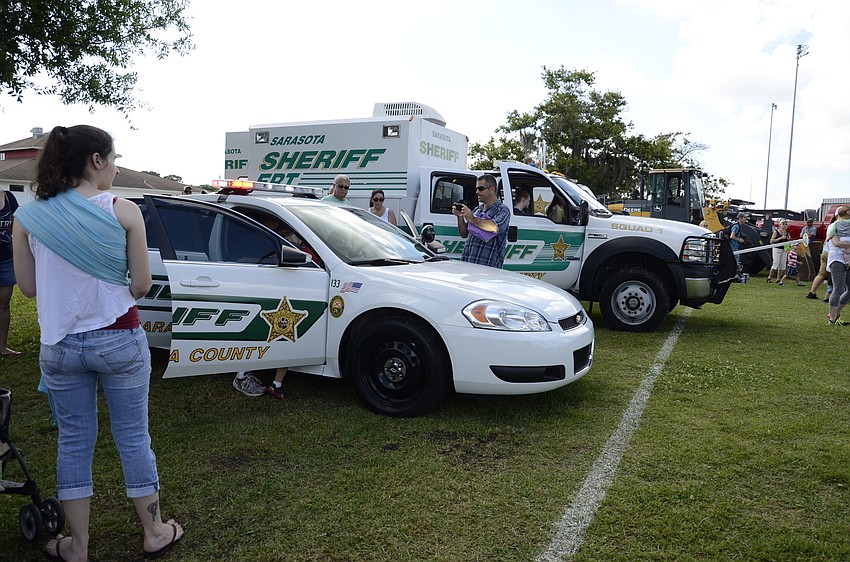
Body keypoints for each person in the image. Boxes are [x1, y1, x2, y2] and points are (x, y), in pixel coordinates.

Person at [12, 125, 184, 561]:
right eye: (114, 157)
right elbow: (142, 286)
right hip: (119, 339)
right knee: (133, 436)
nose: (116, 165)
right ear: (95, 161)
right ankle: (154, 532)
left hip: (61, 345)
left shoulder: (27, 217)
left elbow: (28, 289)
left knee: (73, 440)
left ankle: (78, 546)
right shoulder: (123, 210)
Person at [452, 174, 510, 268]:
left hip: (488, 268)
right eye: (476, 189)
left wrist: (472, 218)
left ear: (492, 189)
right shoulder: (477, 210)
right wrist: (460, 217)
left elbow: (495, 227)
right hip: (468, 264)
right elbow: (464, 234)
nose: (477, 192)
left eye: (480, 188)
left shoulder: (502, 210)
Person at [0, 188, 20, 357]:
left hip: (6, 259)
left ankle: (2, 347)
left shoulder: (8, 196)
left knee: (4, 303)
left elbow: (16, 220)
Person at [826, 205, 850, 325]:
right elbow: (837, 243)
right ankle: (832, 318)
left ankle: (835, 315)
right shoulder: (834, 227)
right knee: (838, 288)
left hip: (847, 259)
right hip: (837, 259)